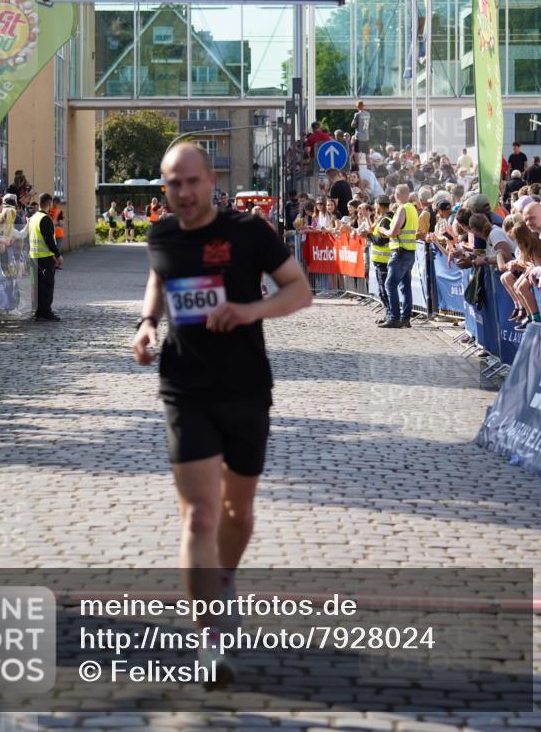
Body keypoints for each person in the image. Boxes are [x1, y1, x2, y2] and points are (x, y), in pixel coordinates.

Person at [131, 143, 311, 687]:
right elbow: (161, 277)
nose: (182, 193)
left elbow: (299, 291)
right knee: (200, 517)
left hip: (245, 388)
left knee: (238, 514)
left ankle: (223, 576)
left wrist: (251, 310)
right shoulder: (161, 234)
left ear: (211, 180)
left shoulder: (249, 232)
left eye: (190, 182)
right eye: (171, 184)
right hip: (184, 387)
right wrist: (146, 323)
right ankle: (208, 635)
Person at [377, 183, 419, 329]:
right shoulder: (412, 209)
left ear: (399, 195)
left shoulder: (402, 209)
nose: (394, 196)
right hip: (409, 251)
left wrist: (383, 230)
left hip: (400, 252)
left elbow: (394, 232)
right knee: (405, 286)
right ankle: (405, 319)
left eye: (395, 193)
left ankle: (394, 317)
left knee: (390, 284)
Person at [29, 192, 63, 321]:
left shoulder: (33, 217)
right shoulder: (45, 219)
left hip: (33, 256)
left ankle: (38, 311)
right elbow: (49, 240)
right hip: (44, 258)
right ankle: (46, 312)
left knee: (37, 285)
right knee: (47, 285)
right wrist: (58, 255)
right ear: (49, 203)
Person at [368, 195, 393, 323]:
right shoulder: (384, 218)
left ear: (379, 205)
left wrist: (368, 236)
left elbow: (381, 241)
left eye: (375, 205)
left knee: (384, 291)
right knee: (383, 290)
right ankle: (388, 315)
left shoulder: (386, 220)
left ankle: (390, 315)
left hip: (383, 261)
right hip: (382, 261)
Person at [350, 100, 370, 164]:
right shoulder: (368, 114)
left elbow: (352, 125)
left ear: (357, 107)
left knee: (356, 153)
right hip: (366, 137)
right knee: (367, 154)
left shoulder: (357, 114)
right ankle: (370, 168)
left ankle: (357, 169)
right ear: (363, 106)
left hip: (359, 136)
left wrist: (354, 123)